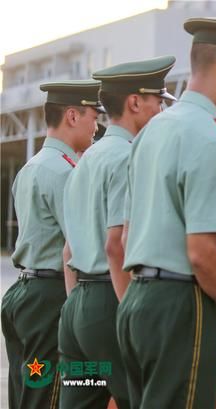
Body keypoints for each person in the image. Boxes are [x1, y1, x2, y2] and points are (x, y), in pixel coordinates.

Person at [116, 17, 216, 408]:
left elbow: (123, 238)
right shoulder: (209, 134)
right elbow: (203, 252)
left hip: (137, 302)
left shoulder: (153, 130)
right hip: (178, 306)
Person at [59, 56, 176, 409]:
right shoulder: (128, 157)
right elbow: (116, 245)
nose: (160, 110)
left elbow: (68, 251)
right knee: (140, 400)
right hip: (113, 300)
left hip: (79, 304)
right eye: (157, 101)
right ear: (135, 102)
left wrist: (76, 309)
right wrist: (130, 318)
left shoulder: (87, 160)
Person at [1, 80, 102, 409]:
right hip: (51, 297)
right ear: (72, 116)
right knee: (49, 395)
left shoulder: (31, 167)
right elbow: (79, 245)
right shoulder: (66, 172)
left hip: (24, 292)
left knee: (27, 393)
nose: (97, 125)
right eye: (93, 116)